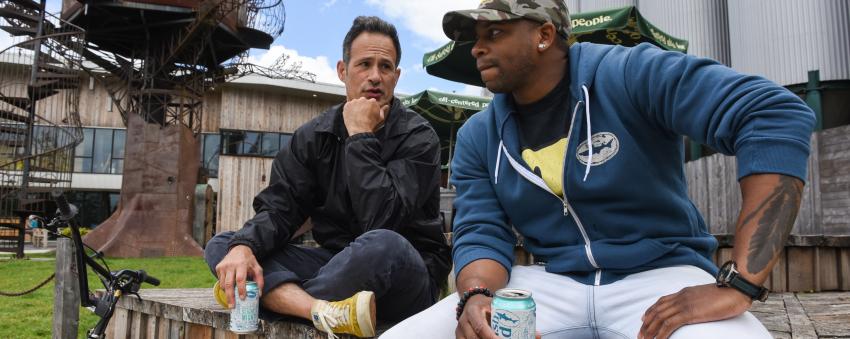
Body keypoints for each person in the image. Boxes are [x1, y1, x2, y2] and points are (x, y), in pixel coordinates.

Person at [381, 1, 815, 338]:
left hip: (660, 276)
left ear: (544, 35)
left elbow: (772, 113)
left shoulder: (628, 73)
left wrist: (740, 282)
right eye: (475, 37)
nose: (477, 48)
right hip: (551, 282)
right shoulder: (479, 135)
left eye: (494, 32)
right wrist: (475, 295)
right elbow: (481, 233)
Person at [204, 16, 451, 338]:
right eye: (364, 64)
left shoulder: (418, 136)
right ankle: (320, 311)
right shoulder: (313, 136)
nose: (375, 76)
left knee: (383, 244)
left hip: (405, 271)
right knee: (226, 244)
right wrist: (244, 247)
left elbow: (383, 221)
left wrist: (361, 135)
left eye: (385, 67)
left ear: (397, 76)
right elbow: (280, 209)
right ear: (343, 71)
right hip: (335, 264)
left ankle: (274, 297)